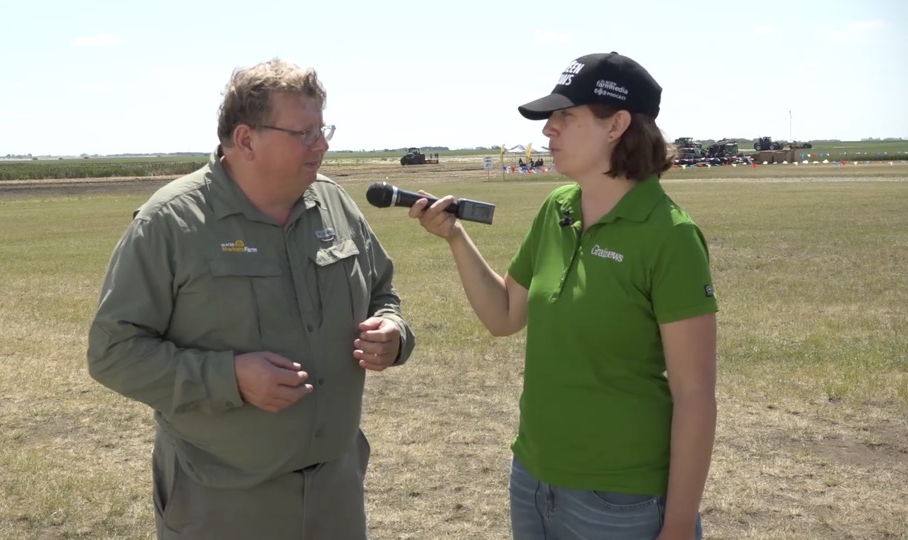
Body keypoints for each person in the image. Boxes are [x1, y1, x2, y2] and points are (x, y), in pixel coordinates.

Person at [86, 58, 415, 539]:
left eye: (323, 130)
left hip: (335, 492)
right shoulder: (171, 223)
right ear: (246, 140)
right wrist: (229, 377)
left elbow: (383, 292)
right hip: (221, 500)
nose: (321, 144)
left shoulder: (334, 205)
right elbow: (112, 353)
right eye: (303, 133)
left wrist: (393, 333)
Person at [409, 51, 717, 540]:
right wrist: (454, 238)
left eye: (564, 117)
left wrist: (678, 524)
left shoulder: (670, 235)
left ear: (616, 124)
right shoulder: (557, 208)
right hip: (533, 478)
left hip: (621, 499)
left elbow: (695, 394)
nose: (548, 131)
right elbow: (504, 315)